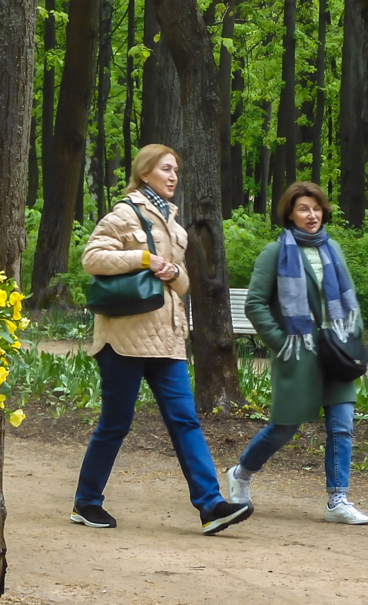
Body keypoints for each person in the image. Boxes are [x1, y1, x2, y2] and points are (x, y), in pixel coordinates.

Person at [71, 144, 253, 536]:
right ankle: (87, 502)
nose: (173, 176)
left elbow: (182, 283)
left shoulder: (174, 223)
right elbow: (92, 258)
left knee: (185, 420)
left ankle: (211, 506)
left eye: (176, 171)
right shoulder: (123, 213)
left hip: (168, 340)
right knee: (115, 423)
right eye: (166, 169)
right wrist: (143, 259)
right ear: (145, 172)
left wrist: (173, 273)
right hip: (123, 339)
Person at [226, 180, 368, 525]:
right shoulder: (275, 252)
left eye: (317, 208)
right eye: (304, 208)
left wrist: (355, 333)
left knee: (341, 426)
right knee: (284, 428)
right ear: (289, 213)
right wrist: (280, 342)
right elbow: (255, 304)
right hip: (298, 351)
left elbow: (349, 297)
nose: (312, 214)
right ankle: (241, 473)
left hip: (336, 350)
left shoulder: (332, 247)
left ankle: (338, 499)